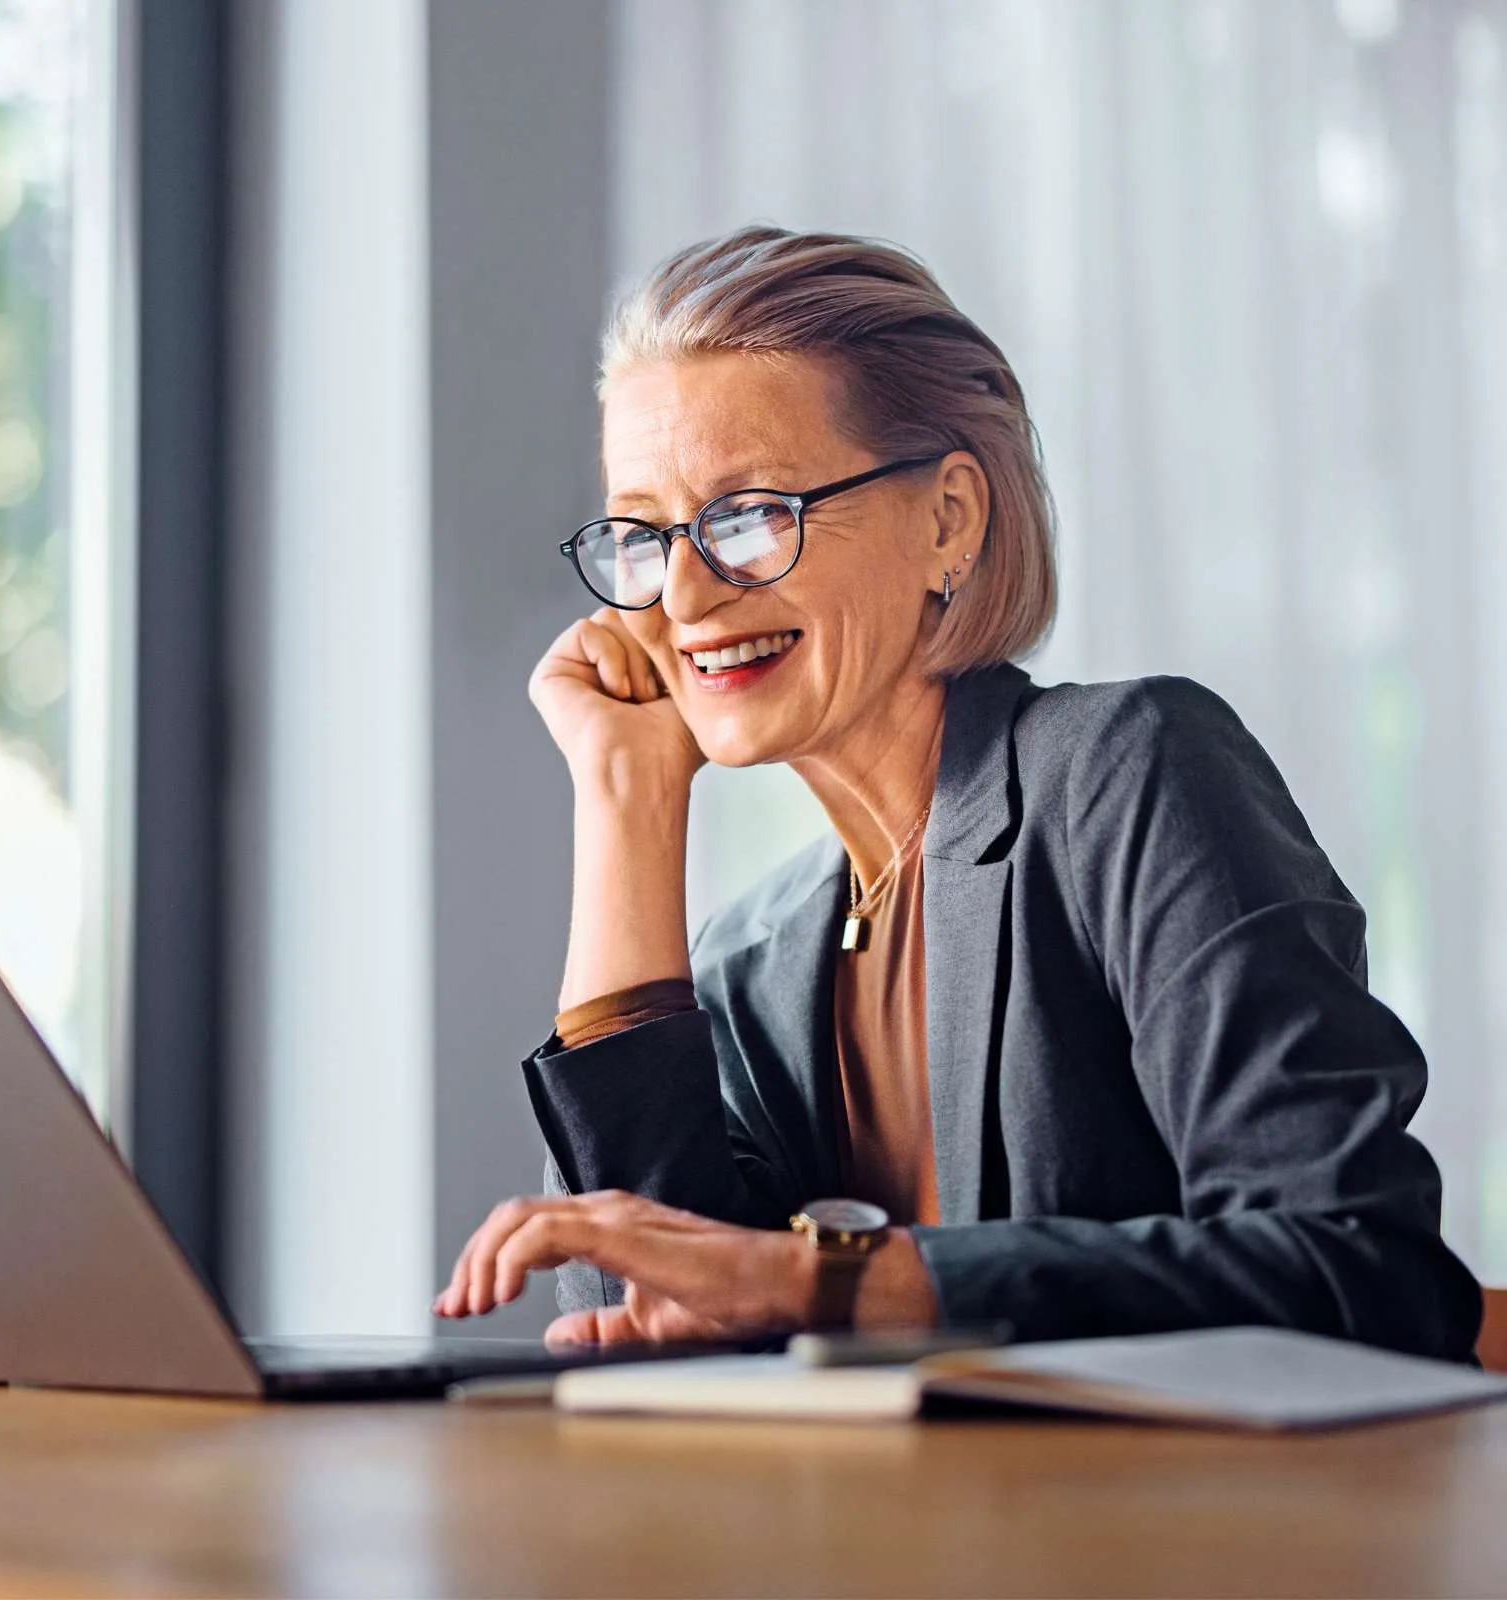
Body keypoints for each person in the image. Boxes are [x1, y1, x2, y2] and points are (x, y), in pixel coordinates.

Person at [432, 225, 1480, 1359]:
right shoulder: (756, 957)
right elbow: (632, 1327)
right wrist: (625, 806)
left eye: (748, 514)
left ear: (949, 519)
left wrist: (821, 1281)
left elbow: (1358, 1266)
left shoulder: (1127, 770)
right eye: (644, 532)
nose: (684, 591)